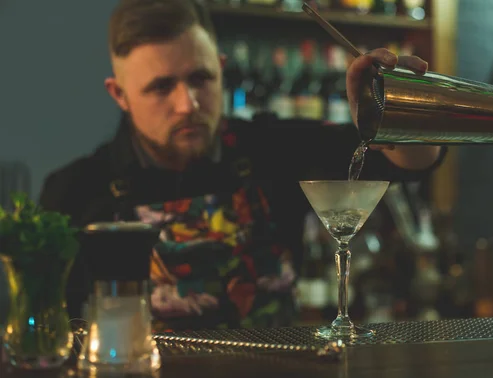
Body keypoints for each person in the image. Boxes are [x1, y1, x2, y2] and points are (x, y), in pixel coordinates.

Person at [39, 0, 446, 330]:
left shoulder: (271, 146)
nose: (189, 105)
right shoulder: (76, 191)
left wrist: (393, 115)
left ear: (220, 67)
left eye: (200, 78)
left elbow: (413, 163)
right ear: (120, 95)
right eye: (161, 87)